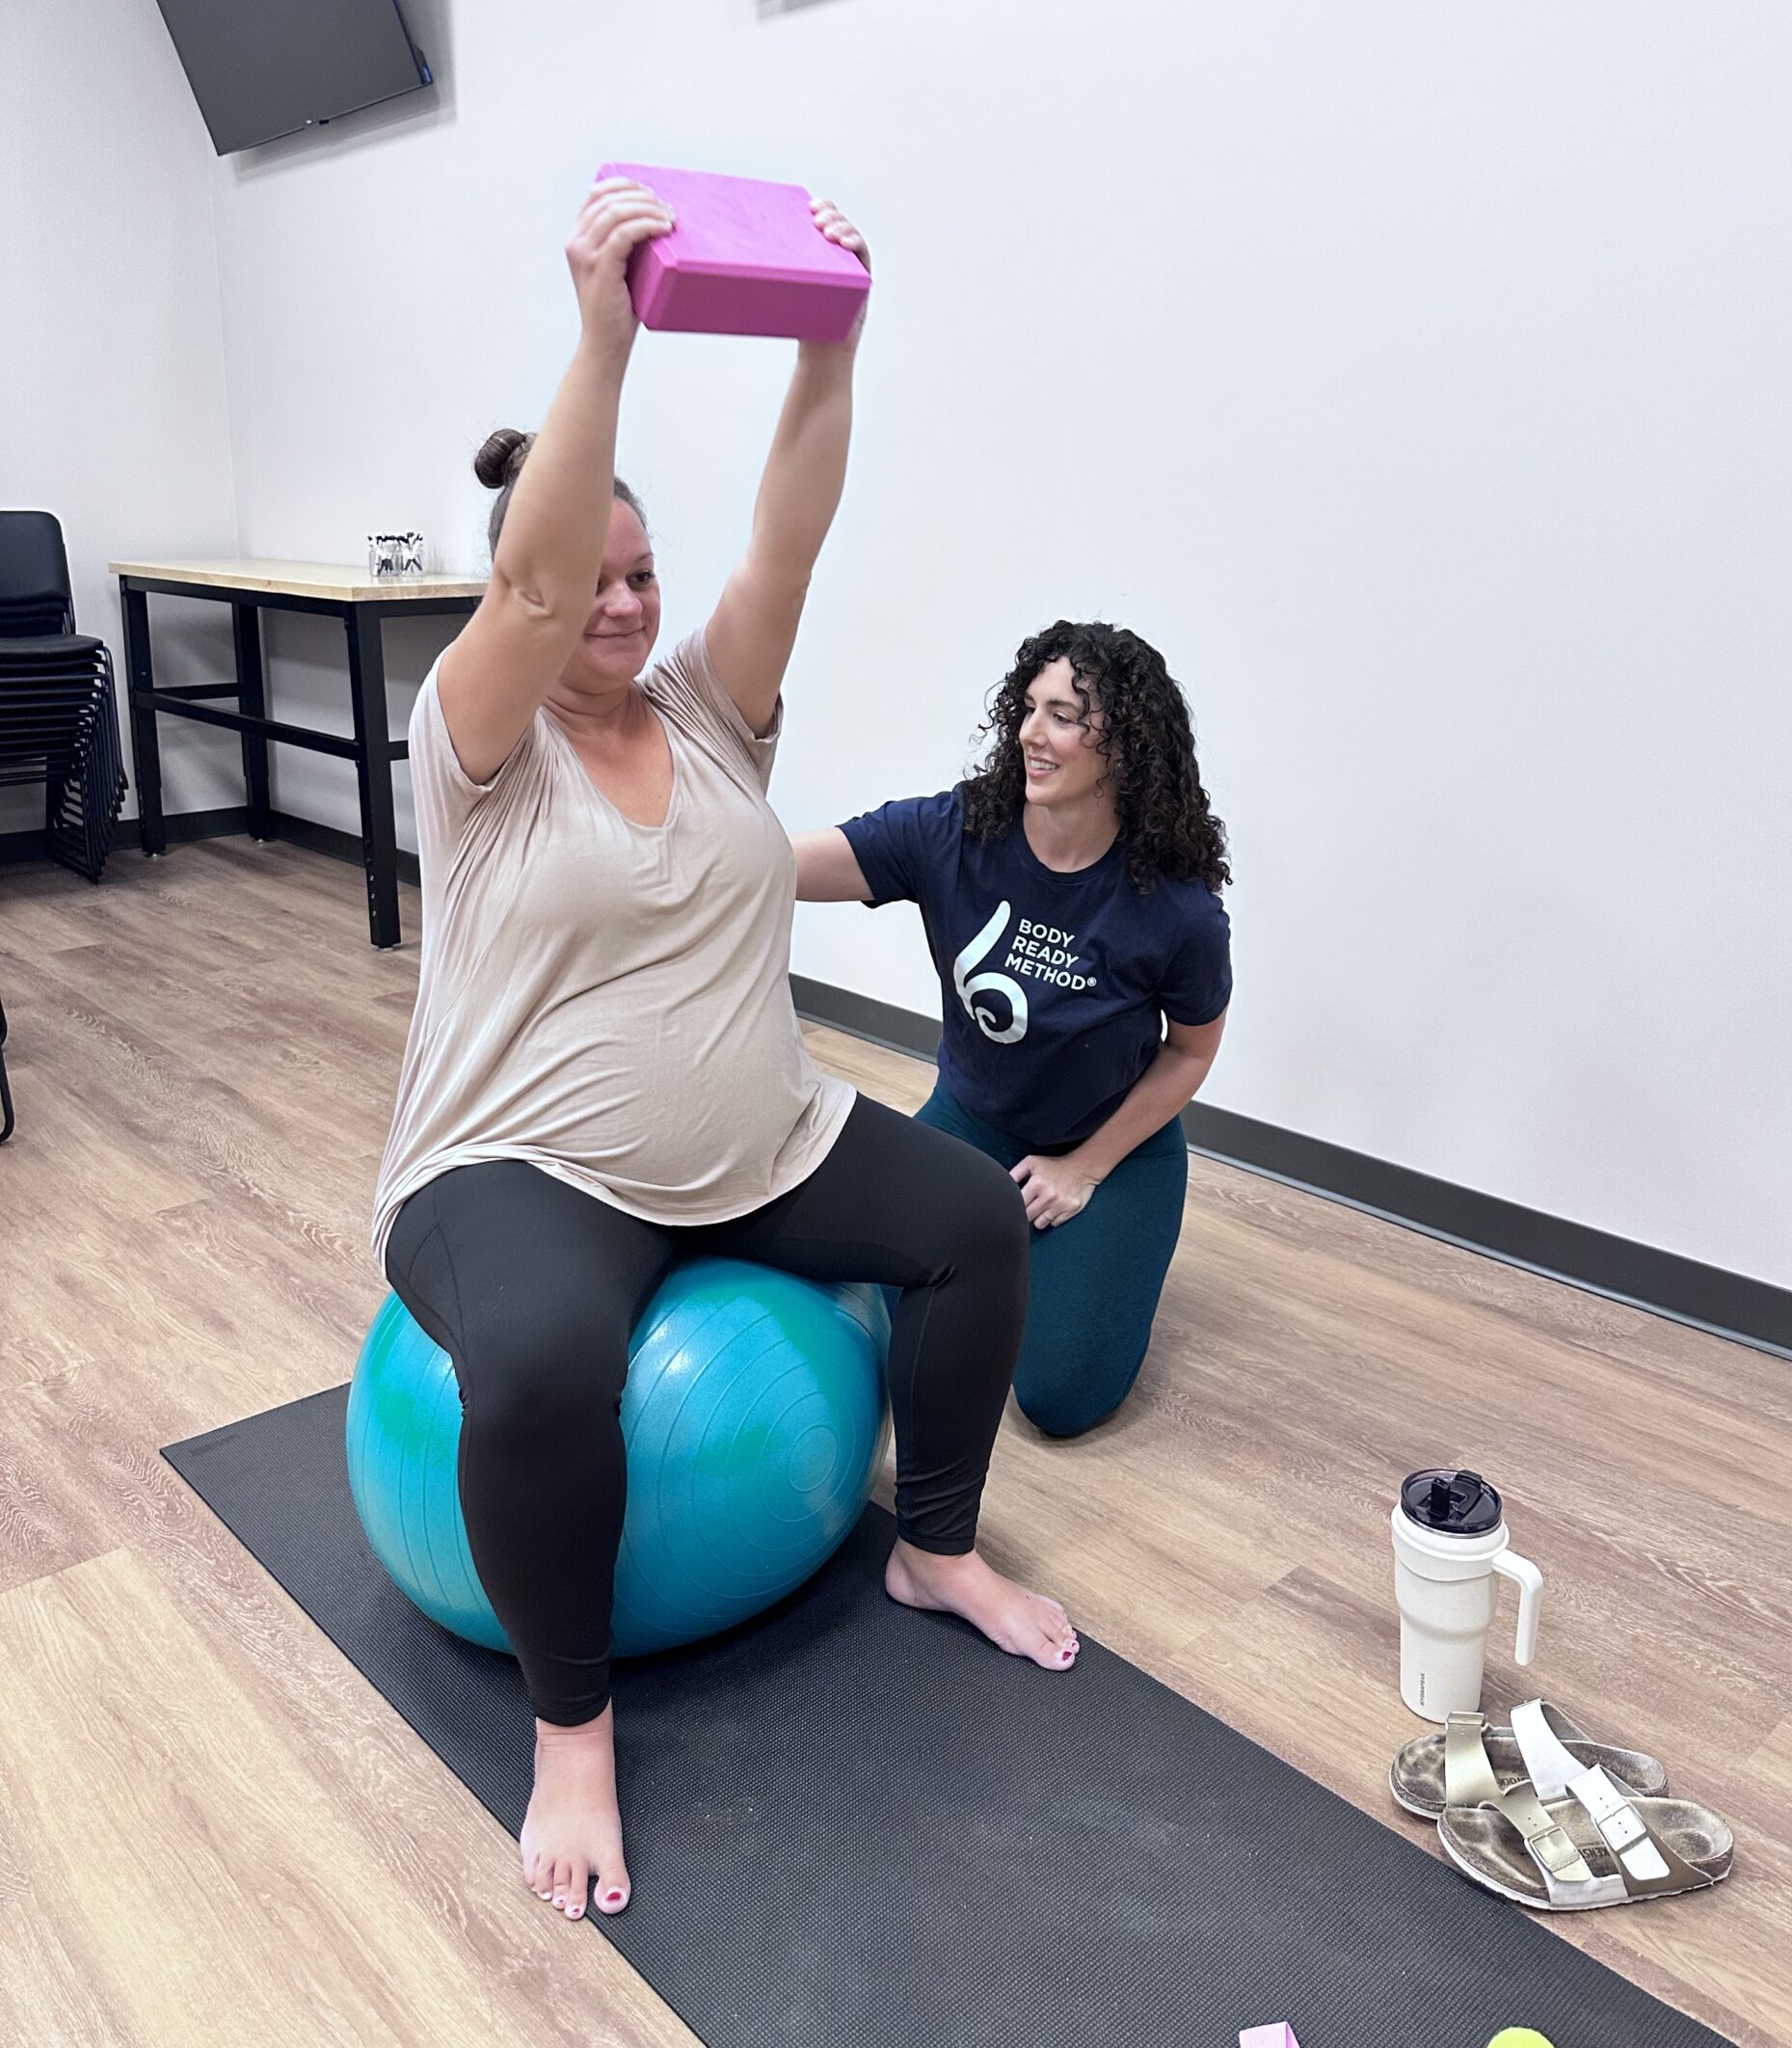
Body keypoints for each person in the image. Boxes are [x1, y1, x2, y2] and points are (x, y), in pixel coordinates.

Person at [370, 176, 1076, 1928]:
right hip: (525, 1166)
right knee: (543, 1366)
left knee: (972, 1223)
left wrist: (833, 341)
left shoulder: (704, 712)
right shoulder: (475, 740)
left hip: (764, 1142)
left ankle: (934, 1551)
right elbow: (534, 586)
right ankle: (574, 1733)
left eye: (642, 578)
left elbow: (788, 539)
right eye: (589, 583)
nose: (618, 608)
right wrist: (605, 338)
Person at [794, 622, 1232, 1438]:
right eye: (1028, 708)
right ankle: (1006, 1243)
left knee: (1058, 1400)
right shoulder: (958, 831)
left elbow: (1191, 1050)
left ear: (1124, 746)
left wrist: (1084, 1170)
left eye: (1062, 716)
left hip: (1107, 1146)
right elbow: (785, 864)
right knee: (856, 1289)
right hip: (971, 1123)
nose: (1031, 731)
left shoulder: (1177, 909)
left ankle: (1058, 1247)